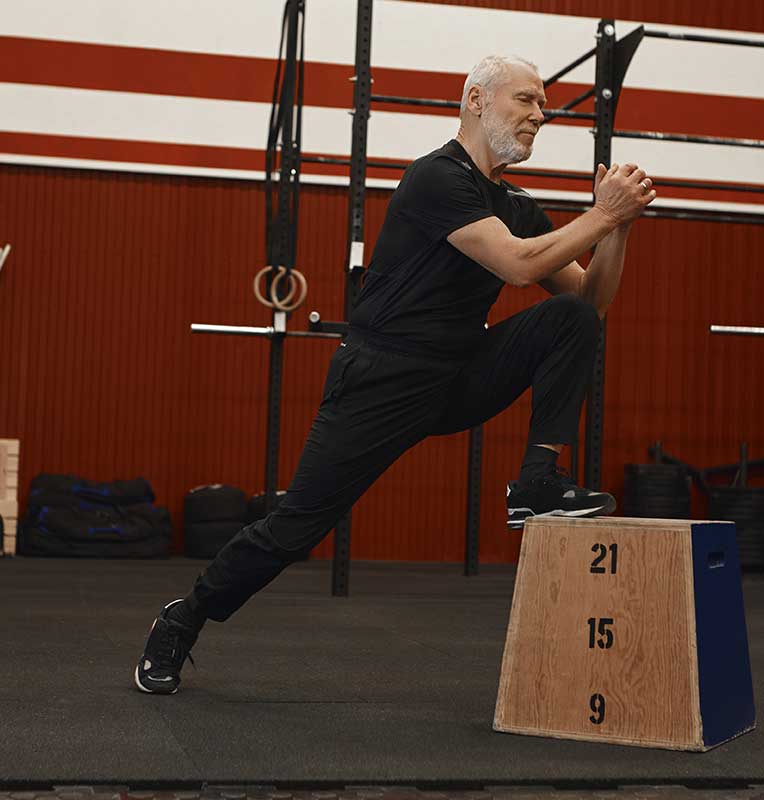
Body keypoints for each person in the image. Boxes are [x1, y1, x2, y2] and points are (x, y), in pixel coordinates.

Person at [134, 55, 656, 694]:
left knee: (571, 319)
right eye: (525, 101)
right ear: (475, 101)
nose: (538, 116)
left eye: (543, 106)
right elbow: (519, 268)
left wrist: (619, 227)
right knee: (295, 528)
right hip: (381, 379)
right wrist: (600, 216)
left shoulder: (516, 203)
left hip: (456, 375)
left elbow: (591, 301)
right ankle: (182, 621)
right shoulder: (437, 179)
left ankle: (537, 482)